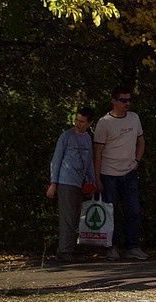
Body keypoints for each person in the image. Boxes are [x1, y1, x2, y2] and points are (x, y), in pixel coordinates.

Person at [93, 87, 147, 261]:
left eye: (128, 100)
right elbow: (98, 152)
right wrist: (97, 177)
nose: (127, 104)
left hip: (129, 172)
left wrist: (136, 161)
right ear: (114, 101)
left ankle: (133, 246)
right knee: (110, 211)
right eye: (123, 100)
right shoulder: (104, 122)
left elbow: (141, 141)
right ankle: (111, 247)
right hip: (108, 173)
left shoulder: (134, 118)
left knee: (133, 210)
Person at [46, 107, 97, 263]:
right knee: (68, 216)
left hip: (80, 181)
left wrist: (92, 181)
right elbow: (56, 159)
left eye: (82, 122)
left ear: (89, 123)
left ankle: (69, 248)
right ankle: (64, 250)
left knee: (75, 216)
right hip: (65, 180)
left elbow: (89, 162)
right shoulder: (66, 136)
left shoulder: (88, 138)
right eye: (77, 120)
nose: (78, 124)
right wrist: (53, 183)